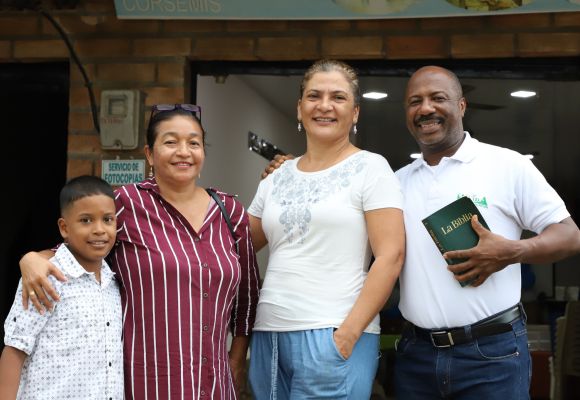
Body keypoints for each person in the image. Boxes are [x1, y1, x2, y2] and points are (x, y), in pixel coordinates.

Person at [18, 104, 260, 399]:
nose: (184, 151)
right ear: (149, 154)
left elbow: (247, 297)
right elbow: (74, 252)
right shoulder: (127, 203)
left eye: (193, 143)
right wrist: (31, 258)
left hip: (214, 383)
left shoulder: (229, 210)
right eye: (171, 142)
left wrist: (236, 360)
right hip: (145, 381)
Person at [394, 65, 580, 399]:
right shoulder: (395, 182)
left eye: (438, 98)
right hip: (416, 357)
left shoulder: (507, 166)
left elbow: (570, 236)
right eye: (415, 101)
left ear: (462, 106)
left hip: (492, 356)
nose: (426, 109)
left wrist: (514, 251)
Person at [247, 59, 406, 399]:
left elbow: (390, 256)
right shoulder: (277, 177)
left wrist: (346, 336)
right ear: (299, 107)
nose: (324, 105)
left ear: (356, 112)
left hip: (333, 332)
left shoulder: (371, 168)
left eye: (338, 97)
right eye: (314, 96)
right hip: (269, 335)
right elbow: (238, 249)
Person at [0, 175, 123, 399]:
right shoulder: (44, 277)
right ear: (64, 228)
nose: (99, 229)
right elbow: (15, 349)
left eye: (107, 219)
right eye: (86, 220)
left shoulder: (114, 281)